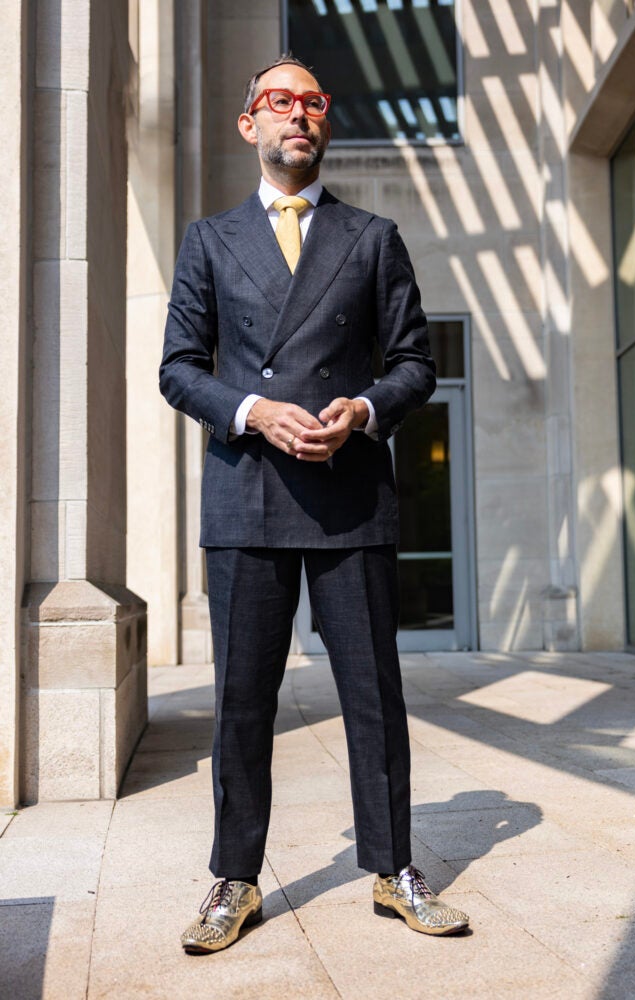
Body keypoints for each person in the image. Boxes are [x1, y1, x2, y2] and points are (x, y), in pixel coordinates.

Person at [160, 53, 469, 954]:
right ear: (250, 124)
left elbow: (417, 363)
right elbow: (179, 370)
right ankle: (234, 879)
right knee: (242, 704)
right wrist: (254, 410)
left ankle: (393, 866)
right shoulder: (209, 241)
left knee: (374, 695)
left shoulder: (372, 238)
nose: (299, 114)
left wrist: (365, 409)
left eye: (313, 102)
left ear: (324, 123)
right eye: (279, 101)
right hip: (247, 495)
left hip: (349, 498)